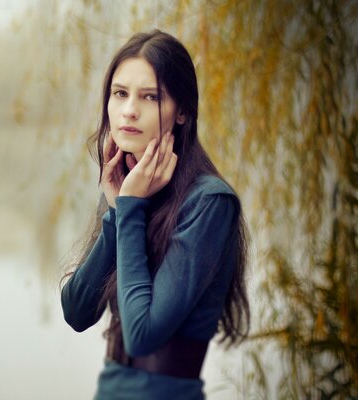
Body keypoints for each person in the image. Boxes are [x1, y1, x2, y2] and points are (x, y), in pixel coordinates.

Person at [60, 29, 250, 400]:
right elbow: (78, 312)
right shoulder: (127, 187)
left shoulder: (210, 202)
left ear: (181, 111)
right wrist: (117, 210)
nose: (130, 109)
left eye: (151, 96)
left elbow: (143, 336)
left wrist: (129, 208)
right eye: (120, 94)